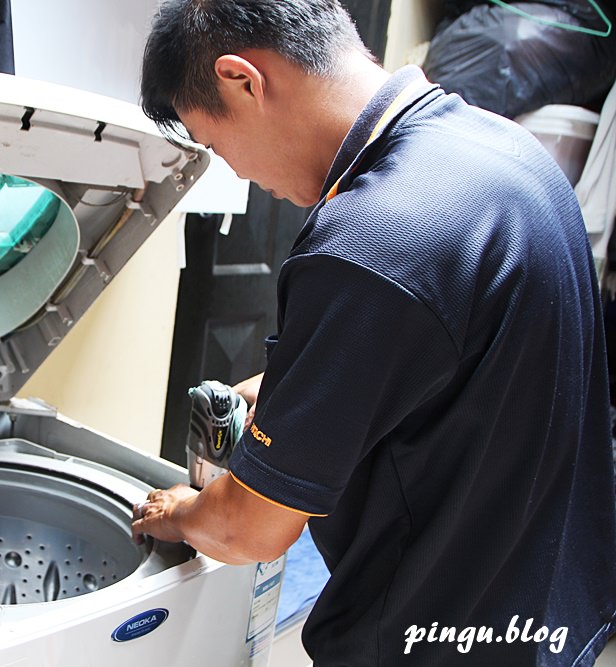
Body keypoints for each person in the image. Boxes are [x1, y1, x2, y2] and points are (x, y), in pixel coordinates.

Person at [129, 0, 616, 664]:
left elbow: (249, 528)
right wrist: (299, 384)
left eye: (216, 145)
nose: (237, 172)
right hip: (548, 619)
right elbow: (473, 361)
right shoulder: (509, 155)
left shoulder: (365, 241)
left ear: (244, 79)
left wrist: (180, 509)